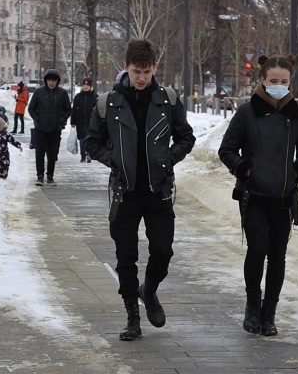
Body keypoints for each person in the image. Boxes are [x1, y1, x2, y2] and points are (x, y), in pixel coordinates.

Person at [85, 39, 195, 341]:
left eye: (147, 71)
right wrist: (115, 162)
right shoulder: (109, 102)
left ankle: (150, 289)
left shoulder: (167, 100)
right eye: (137, 71)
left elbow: (186, 137)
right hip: (125, 191)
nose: (142, 77)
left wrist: (168, 158)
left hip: (158, 190)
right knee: (126, 257)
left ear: (155, 67)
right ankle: (132, 317)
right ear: (126, 67)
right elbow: (91, 142)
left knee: (163, 250)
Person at [217, 54, 298, 337]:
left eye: (284, 82)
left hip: (283, 197)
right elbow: (227, 149)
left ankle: (269, 313)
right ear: (262, 80)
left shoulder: (296, 114)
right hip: (254, 196)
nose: (279, 86)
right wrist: (244, 168)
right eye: (273, 81)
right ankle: (252, 307)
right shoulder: (247, 112)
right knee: (257, 249)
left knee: (278, 256)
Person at [27, 69, 71, 186]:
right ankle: (40, 176)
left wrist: (61, 120)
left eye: (54, 80)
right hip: (41, 128)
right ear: (46, 81)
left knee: (52, 153)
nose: (51, 83)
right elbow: (31, 108)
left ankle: (50, 176)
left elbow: (68, 109)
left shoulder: (62, 93)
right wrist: (37, 118)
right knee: (40, 152)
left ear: (57, 82)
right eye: (49, 80)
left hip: (55, 128)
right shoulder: (39, 92)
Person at [70, 78, 99, 162]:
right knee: (81, 138)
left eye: (87, 85)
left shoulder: (94, 96)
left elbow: (97, 110)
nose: (86, 87)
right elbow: (74, 110)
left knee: (89, 138)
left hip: (91, 121)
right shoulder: (78, 97)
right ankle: (83, 154)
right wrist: (73, 121)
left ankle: (89, 154)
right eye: (84, 85)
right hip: (80, 121)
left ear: (90, 86)